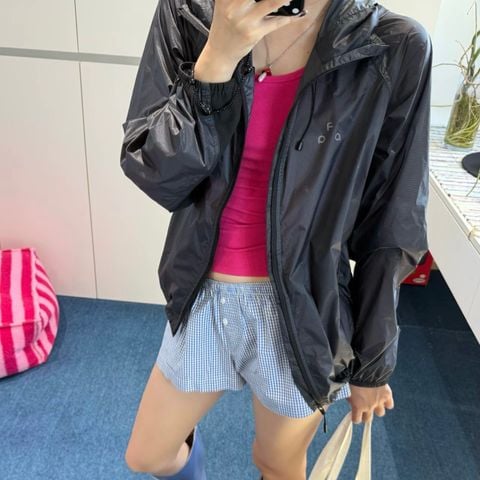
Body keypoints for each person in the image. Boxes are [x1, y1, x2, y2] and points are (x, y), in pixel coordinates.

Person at [120, 0, 432, 478]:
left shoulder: (392, 44)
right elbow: (154, 172)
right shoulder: (190, 11)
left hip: (304, 308)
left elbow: (392, 221)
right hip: (202, 292)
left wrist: (373, 363)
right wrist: (217, 60)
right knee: (148, 456)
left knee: (277, 464)